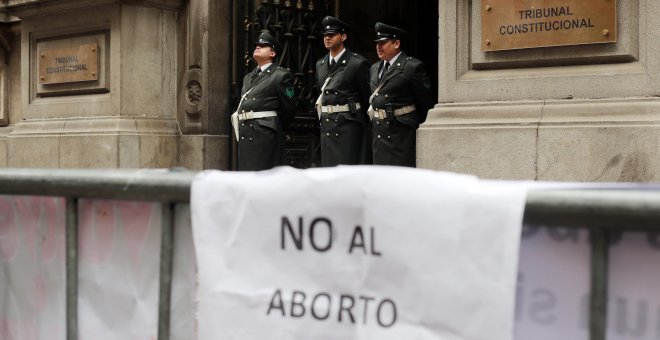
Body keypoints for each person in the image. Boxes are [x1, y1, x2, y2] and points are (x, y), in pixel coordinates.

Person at [368, 22, 434, 167]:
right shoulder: (374, 68)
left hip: (401, 134)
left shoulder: (412, 67)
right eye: (377, 43)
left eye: (383, 43)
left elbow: (426, 103)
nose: (378, 47)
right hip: (379, 133)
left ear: (396, 43)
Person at [232, 31, 297, 171]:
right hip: (246, 133)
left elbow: (290, 106)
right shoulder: (248, 78)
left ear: (272, 53)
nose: (258, 47)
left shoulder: (281, 75)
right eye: (257, 45)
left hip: (265, 136)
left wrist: (273, 126)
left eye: (263, 45)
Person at [315, 16, 371, 166]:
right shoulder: (320, 64)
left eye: (332, 35)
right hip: (328, 126)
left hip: (348, 127)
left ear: (343, 36)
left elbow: (367, 100)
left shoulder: (357, 63)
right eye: (325, 35)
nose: (327, 38)